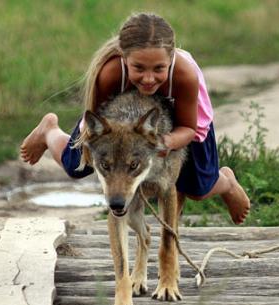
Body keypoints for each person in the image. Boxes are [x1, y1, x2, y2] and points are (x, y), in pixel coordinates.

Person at [20, 12, 250, 224]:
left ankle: (227, 182)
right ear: (124, 58)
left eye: (159, 68)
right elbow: (98, 122)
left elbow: (188, 127)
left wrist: (165, 143)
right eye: (138, 68)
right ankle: (49, 130)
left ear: (171, 58)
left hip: (183, 121)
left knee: (197, 188)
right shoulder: (110, 73)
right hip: (124, 120)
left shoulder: (184, 74)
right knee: (75, 167)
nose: (149, 78)